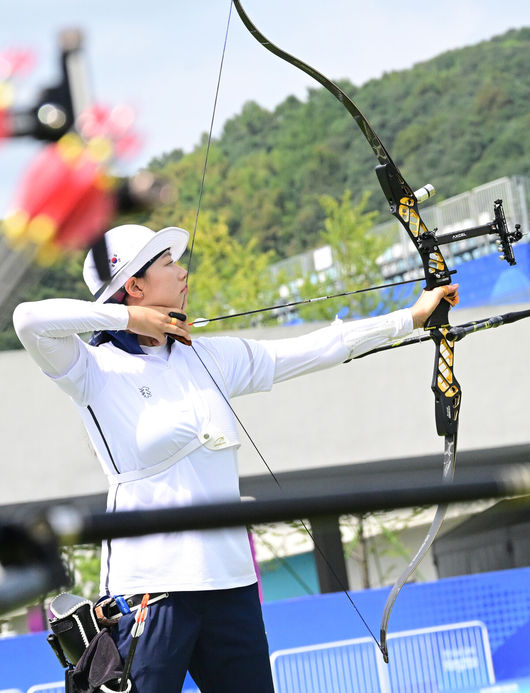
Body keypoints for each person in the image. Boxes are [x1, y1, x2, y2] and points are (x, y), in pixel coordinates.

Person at [13, 223, 458, 693]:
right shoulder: (91, 369)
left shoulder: (211, 358)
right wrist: (130, 321)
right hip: (151, 588)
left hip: (230, 586)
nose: (183, 272)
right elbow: (28, 319)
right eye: (167, 263)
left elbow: (315, 348)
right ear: (135, 285)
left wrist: (410, 317)